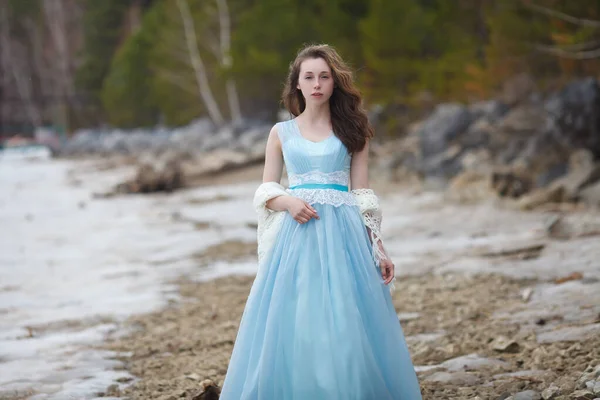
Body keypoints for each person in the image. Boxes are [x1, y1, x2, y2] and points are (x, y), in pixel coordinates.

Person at [220, 44, 422, 400]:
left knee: (346, 319)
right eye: (309, 77)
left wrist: (378, 246)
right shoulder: (280, 133)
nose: (317, 84)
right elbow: (266, 189)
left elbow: (362, 193)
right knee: (297, 317)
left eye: (324, 77)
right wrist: (287, 201)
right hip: (297, 236)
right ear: (296, 84)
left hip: (343, 235)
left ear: (334, 82)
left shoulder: (353, 129)